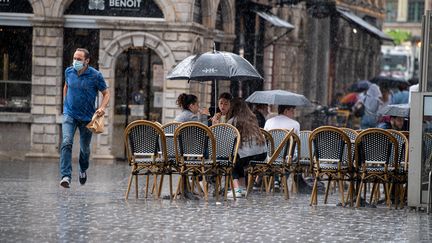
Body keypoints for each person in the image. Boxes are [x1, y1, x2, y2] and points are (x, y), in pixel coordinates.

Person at [60, 48, 110, 188]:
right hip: (69, 114)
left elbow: (106, 93)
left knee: (84, 149)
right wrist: (66, 104)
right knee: (66, 142)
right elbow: (66, 86)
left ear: (87, 61)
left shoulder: (95, 75)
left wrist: (102, 108)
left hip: (87, 118)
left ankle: (83, 169)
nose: (75, 61)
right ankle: (66, 176)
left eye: (79, 59)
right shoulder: (68, 71)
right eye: (74, 58)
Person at [227, 98, 267, 198]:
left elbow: (228, 140)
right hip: (261, 153)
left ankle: (236, 189)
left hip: (248, 154)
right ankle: (243, 188)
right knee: (238, 159)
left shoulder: (233, 121)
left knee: (231, 162)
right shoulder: (253, 118)